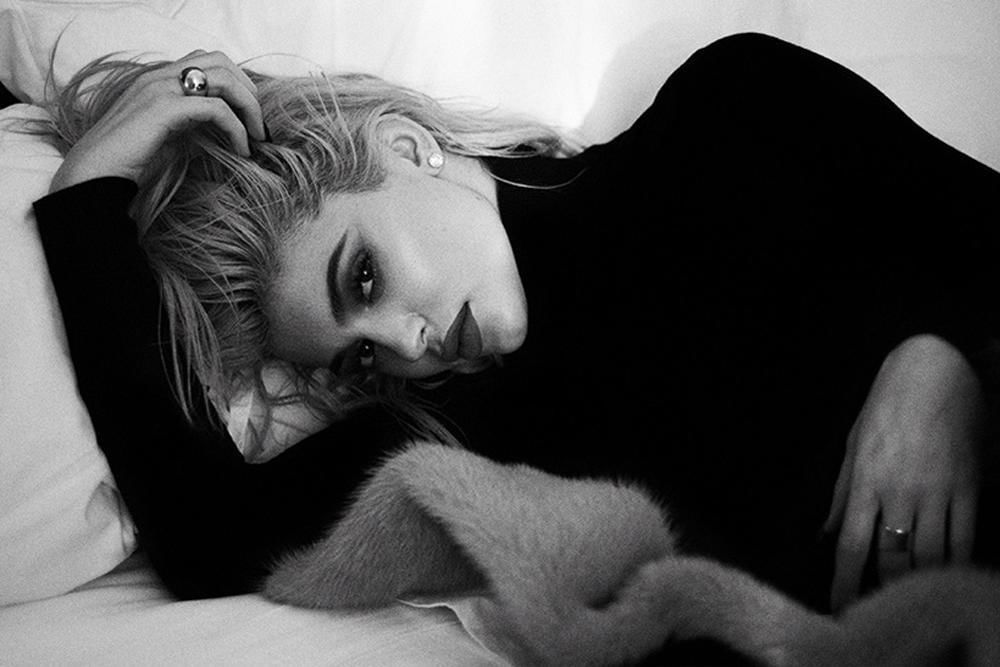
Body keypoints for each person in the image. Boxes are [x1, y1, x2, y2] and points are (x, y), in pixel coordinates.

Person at [31, 33, 998, 615]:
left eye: (363, 276)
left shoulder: (735, 104)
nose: (404, 345)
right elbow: (205, 535)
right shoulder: (463, 429)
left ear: (405, 147)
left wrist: (942, 352)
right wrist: (88, 192)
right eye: (360, 356)